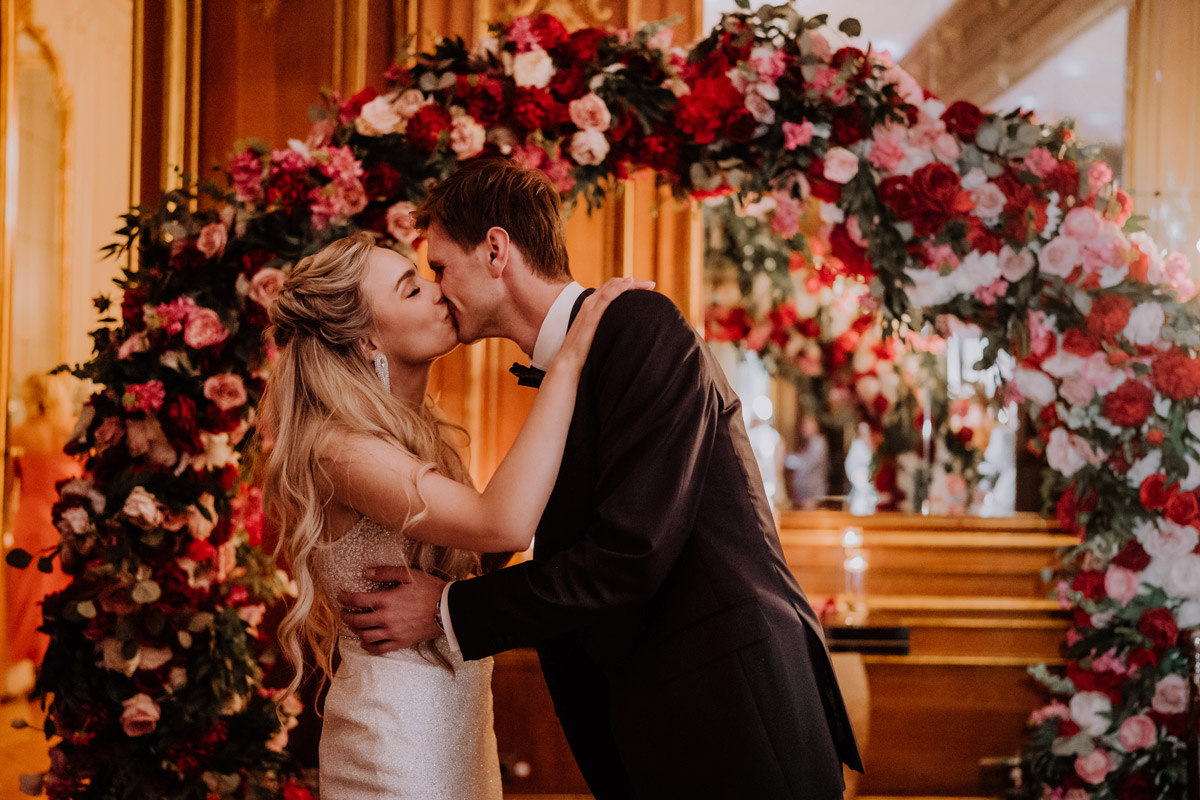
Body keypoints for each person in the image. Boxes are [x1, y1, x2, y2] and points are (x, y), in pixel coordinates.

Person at [341, 159, 863, 799]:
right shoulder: (574, 366)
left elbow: (630, 553)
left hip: (732, 711)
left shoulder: (639, 327)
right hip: (663, 722)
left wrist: (447, 609)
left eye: (442, 268)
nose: (439, 291)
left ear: (496, 251)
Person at [257, 230, 644, 800]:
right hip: (393, 744)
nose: (440, 293)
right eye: (412, 289)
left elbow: (486, 551)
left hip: (461, 731)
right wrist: (570, 358)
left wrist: (442, 605)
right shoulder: (338, 449)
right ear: (367, 340)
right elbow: (504, 523)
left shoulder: (426, 434)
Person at [4, 373, 79, 696]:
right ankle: (51, 667)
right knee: (57, 595)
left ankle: (32, 667)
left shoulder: (18, 434)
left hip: (28, 522)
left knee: (26, 598)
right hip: (61, 522)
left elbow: (8, 491)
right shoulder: (70, 431)